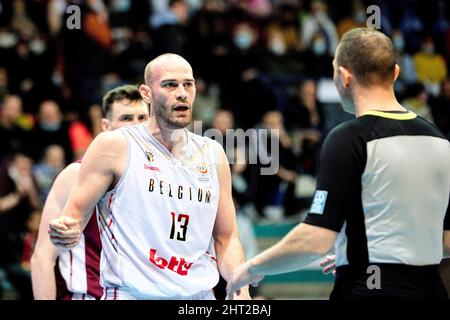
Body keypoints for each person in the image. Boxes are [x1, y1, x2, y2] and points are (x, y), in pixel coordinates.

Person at [226, 28, 450, 300]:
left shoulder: (349, 138)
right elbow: (445, 241)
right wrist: (355, 252)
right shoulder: (440, 141)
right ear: (395, 73)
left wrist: (252, 267)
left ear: (344, 77)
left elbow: (315, 240)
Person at [48, 53, 250, 300]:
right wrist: (67, 231)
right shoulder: (115, 146)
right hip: (131, 294)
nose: (182, 92)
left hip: (198, 297)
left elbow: (226, 238)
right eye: (170, 84)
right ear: (146, 93)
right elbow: (74, 218)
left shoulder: (213, 153)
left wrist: (240, 287)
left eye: (188, 84)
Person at [31, 85, 150, 300]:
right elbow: (42, 257)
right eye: (126, 118)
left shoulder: (158, 181)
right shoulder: (76, 174)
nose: (135, 125)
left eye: (142, 117)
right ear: (106, 126)